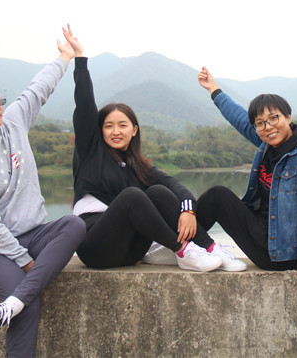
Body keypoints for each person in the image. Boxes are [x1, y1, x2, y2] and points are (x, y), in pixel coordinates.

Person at [0, 26, 87, 358]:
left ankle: (8, 306)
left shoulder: (13, 123)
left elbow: (38, 89)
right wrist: (24, 261)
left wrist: (65, 57)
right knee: (29, 305)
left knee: (74, 224)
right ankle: (17, 304)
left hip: (35, 232)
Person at [70, 39, 242, 272]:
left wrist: (188, 210)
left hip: (131, 251)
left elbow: (175, 185)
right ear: (99, 131)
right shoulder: (91, 153)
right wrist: (80, 60)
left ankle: (210, 247)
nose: (116, 131)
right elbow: (84, 105)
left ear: (134, 130)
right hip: (95, 247)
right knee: (133, 195)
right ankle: (183, 250)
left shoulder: (137, 166)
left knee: (158, 192)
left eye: (122, 125)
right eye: (108, 126)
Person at [196, 66, 297, 271]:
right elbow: (239, 118)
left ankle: (182, 245)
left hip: (280, 253)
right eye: (260, 123)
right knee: (215, 197)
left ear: (288, 117)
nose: (268, 127)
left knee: (217, 196)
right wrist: (214, 89)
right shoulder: (267, 145)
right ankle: (184, 245)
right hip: (262, 234)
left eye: (274, 118)